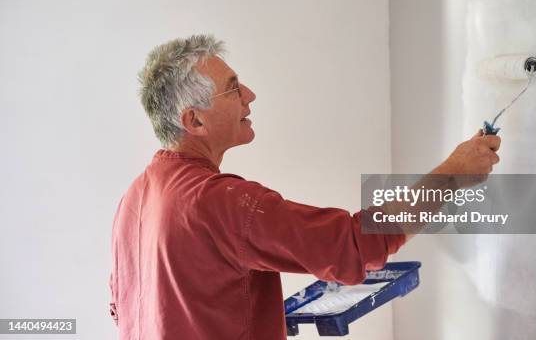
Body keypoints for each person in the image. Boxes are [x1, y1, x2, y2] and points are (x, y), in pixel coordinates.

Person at [109, 34, 501, 340]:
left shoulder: (134, 201)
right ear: (193, 121)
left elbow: (133, 309)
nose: (250, 96)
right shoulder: (216, 200)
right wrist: (452, 174)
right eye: (233, 88)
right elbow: (354, 245)